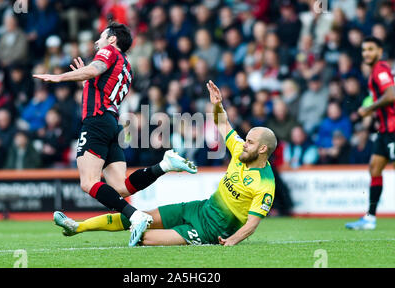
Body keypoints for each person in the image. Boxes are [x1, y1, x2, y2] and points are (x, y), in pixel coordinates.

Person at [54, 81, 277, 247]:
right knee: (139, 217)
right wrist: (218, 105)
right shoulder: (239, 151)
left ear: (263, 149)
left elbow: (252, 224)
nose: (244, 144)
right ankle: (77, 227)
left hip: (212, 229)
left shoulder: (265, 184)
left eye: (250, 142)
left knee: (142, 237)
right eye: (246, 140)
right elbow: (223, 123)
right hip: (199, 208)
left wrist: (231, 241)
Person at [33, 22, 197, 246]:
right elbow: (103, 87)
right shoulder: (127, 67)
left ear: (112, 40)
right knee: (120, 186)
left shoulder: (108, 51)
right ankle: (164, 166)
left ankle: (135, 215)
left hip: (96, 122)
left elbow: (95, 69)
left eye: (101, 36)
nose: (96, 41)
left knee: (88, 182)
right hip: (111, 123)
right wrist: (86, 81)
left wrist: (59, 77)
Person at [345, 36, 395, 230]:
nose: (366, 53)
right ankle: (370, 218)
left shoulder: (381, 69)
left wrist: (369, 109)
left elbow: (391, 95)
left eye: (370, 49)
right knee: (375, 168)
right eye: (364, 50)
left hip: (394, 130)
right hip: (384, 131)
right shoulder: (375, 71)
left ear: (380, 51)